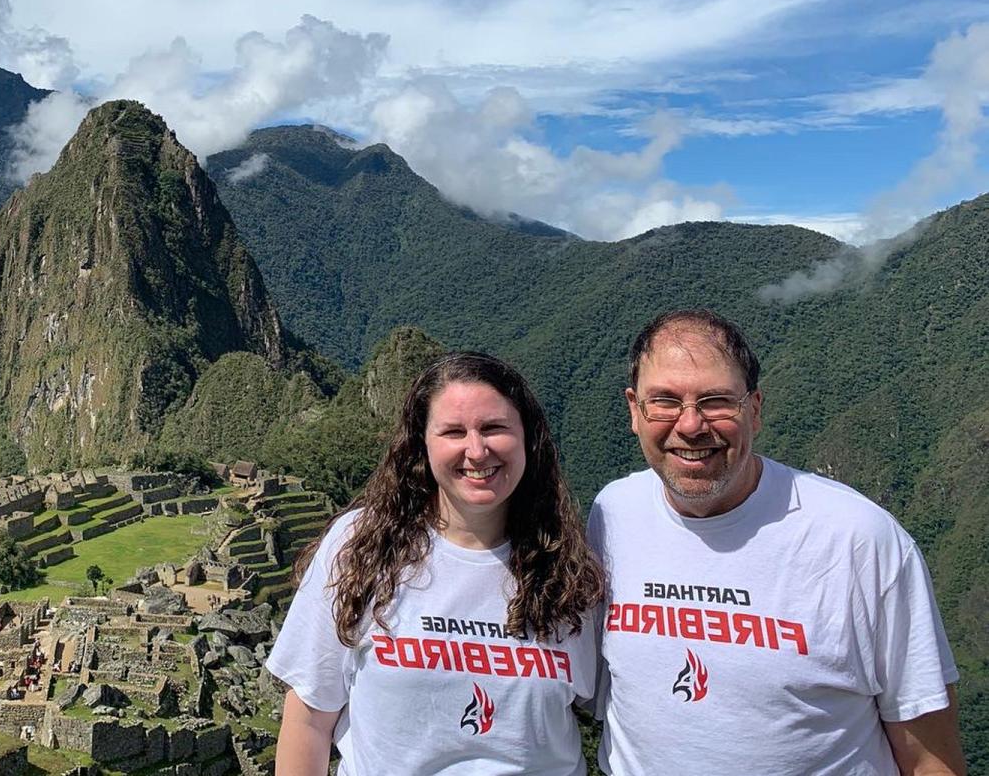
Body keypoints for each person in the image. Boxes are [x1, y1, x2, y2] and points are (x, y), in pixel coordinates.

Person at [590, 309, 965, 775]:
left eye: (716, 401)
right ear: (634, 410)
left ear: (756, 409)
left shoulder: (859, 540)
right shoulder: (612, 514)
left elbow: (930, 758)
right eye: (664, 401)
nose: (690, 425)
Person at [267, 352, 605, 775]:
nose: (477, 450)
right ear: (422, 444)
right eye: (453, 432)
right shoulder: (362, 547)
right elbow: (308, 720)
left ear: (528, 439)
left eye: (494, 428)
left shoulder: (568, 568)